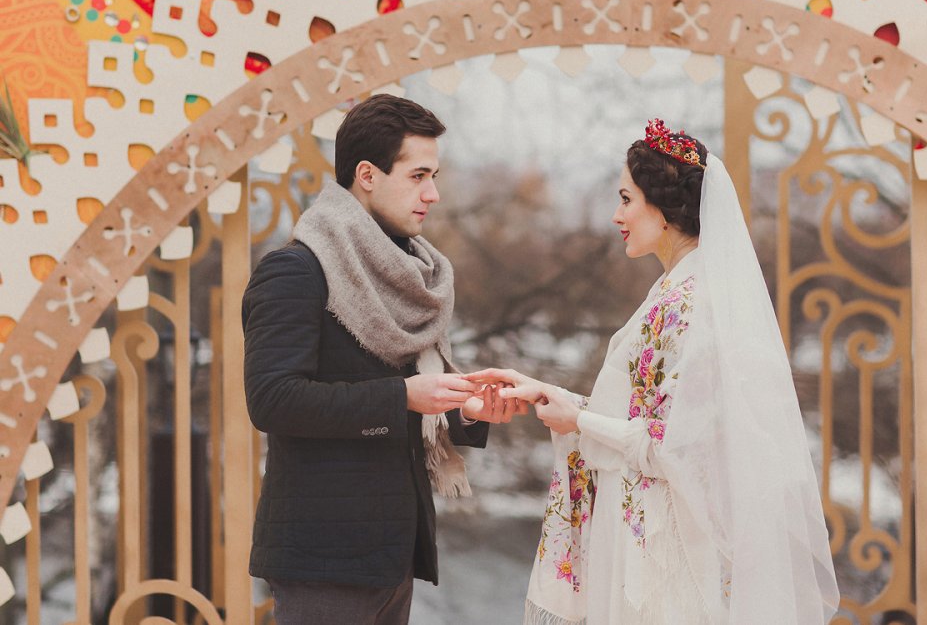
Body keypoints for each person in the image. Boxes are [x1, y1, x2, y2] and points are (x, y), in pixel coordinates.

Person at [469, 120, 840, 624]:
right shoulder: (674, 290)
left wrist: (578, 421)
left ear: (664, 208)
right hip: (641, 529)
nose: (616, 215)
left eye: (626, 199)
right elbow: (642, 418)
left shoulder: (691, 302)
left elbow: (675, 446)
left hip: (666, 550)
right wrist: (547, 394)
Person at [242, 94, 519, 624]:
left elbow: (408, 394)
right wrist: (403, 398)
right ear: (367, 175)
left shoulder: (408, 276)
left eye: (433, 176)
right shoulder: (295, 271)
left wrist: (463, 410)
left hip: (392, 556)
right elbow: (273, 400)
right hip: (324, 559)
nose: (433, 193)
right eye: (418, 176)